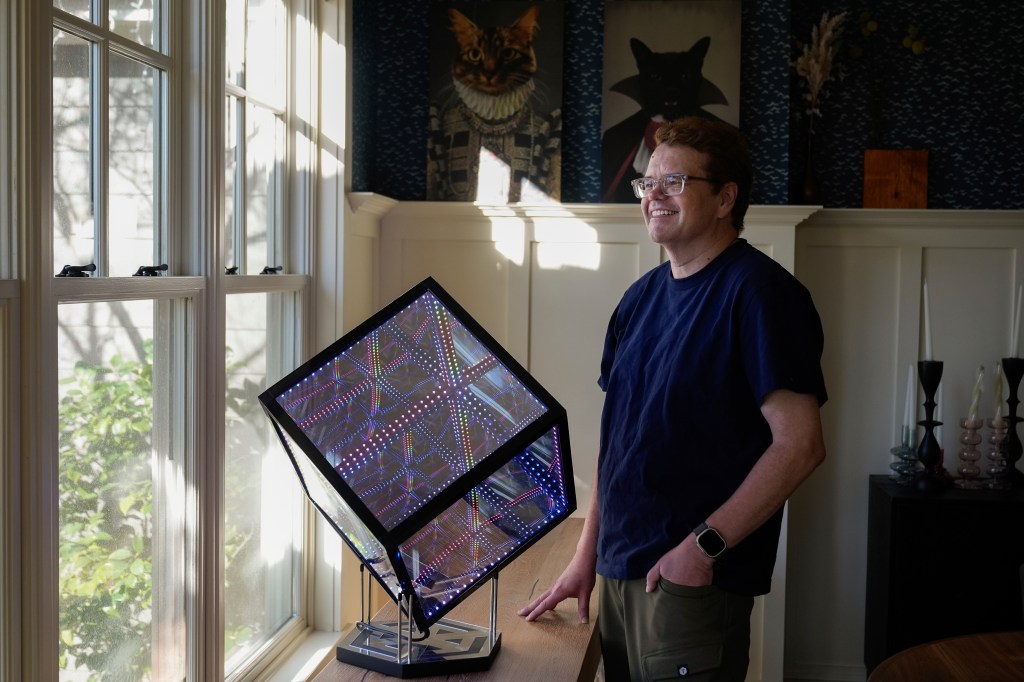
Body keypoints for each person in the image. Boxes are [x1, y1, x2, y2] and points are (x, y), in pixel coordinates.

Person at [518, 116, 827, 681]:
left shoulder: (762, 295)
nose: (653, 195)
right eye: (648, 182)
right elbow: (618, 442)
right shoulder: (638, 300)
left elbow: (800, 445)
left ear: (725, 198)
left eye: (675, 182)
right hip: (617, 574)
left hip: (689, 584)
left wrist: (701, 548)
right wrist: (586, 557)